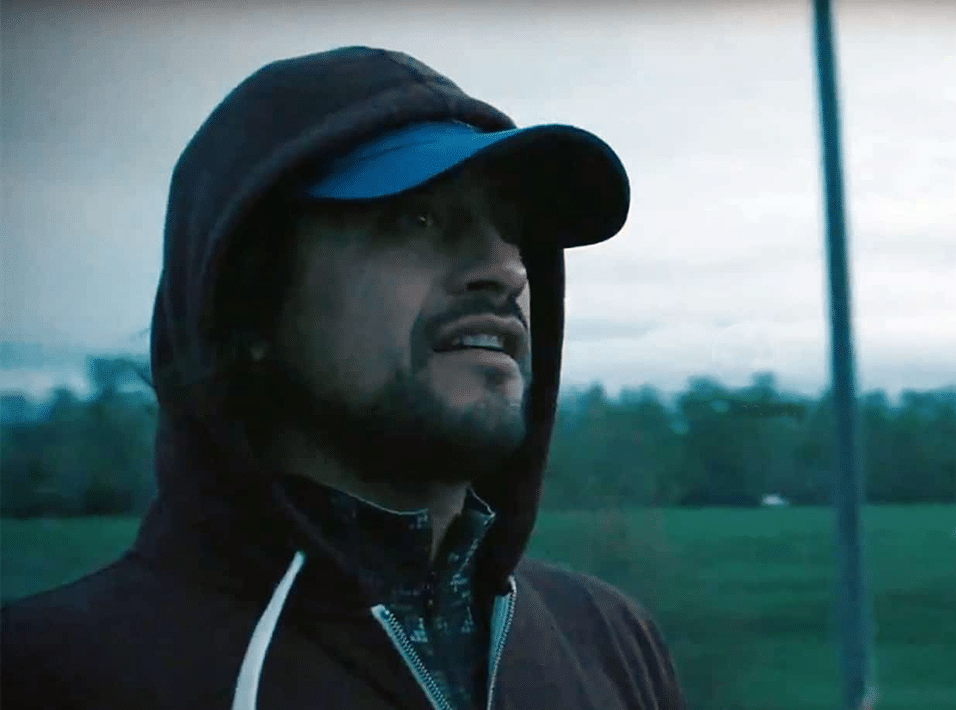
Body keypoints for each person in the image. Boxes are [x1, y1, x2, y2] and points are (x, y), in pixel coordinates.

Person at [1, 46, 688, 710]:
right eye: (417, 217)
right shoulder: (56, 672)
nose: (505, 269)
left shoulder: (609, 641)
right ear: (248, 305)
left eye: (512, 228)